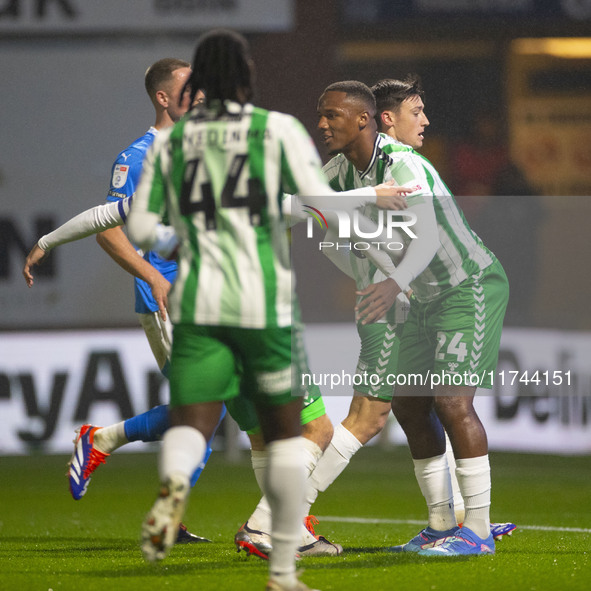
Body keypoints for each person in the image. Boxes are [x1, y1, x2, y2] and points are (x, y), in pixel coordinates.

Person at [126, 29, 409, 591]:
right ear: (247, 78)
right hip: (258, 303)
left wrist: (182, 236)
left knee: (202, 419)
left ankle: (175, 487)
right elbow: (306, 205)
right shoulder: (275, 129)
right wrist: (367, 198)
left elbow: (139, 228)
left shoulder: (168, 147)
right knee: (308, 429)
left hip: (198, 304)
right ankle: (282, 563)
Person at [346, 78, 510, 556]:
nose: (427, 121)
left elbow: (423, 237)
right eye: (417, 111)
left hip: (467, 286)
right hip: (422, 295)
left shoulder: (406, 163)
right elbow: (309, 203)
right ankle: (441, 524)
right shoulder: (355, 168)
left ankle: (477, 530)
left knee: (451, 403)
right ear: (387, 119)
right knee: (408, 402)